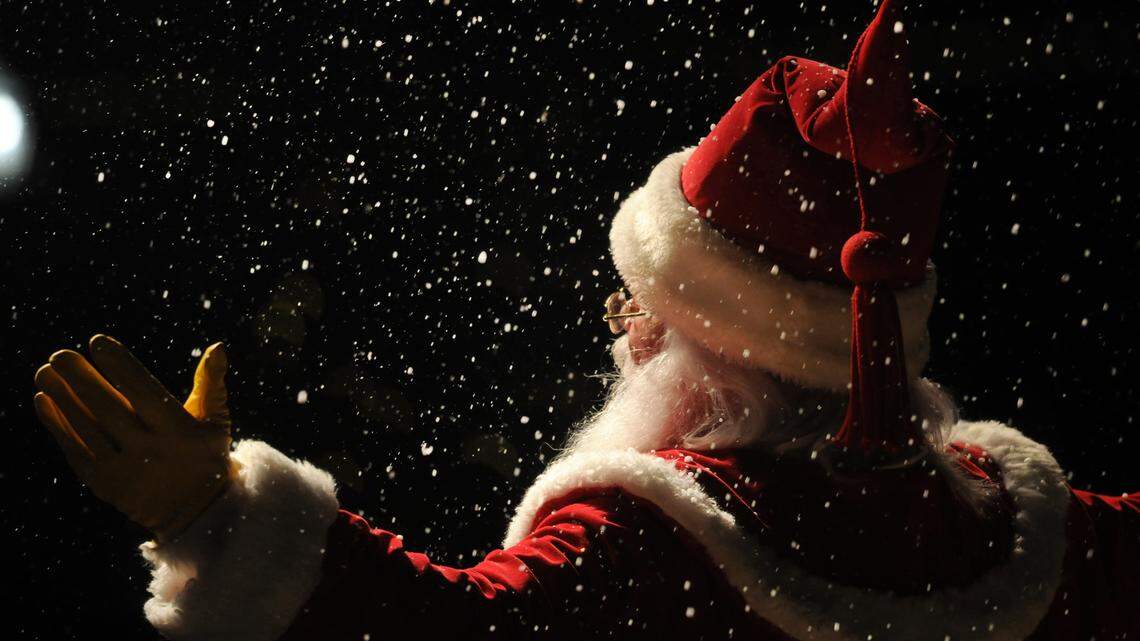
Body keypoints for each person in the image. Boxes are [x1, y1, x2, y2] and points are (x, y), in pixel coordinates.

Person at [31, 2, 1138, 639]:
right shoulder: (1051, 538)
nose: (618, 323)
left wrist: (214, 513)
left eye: (644, 302)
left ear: (719, 347)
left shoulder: (655, 544)